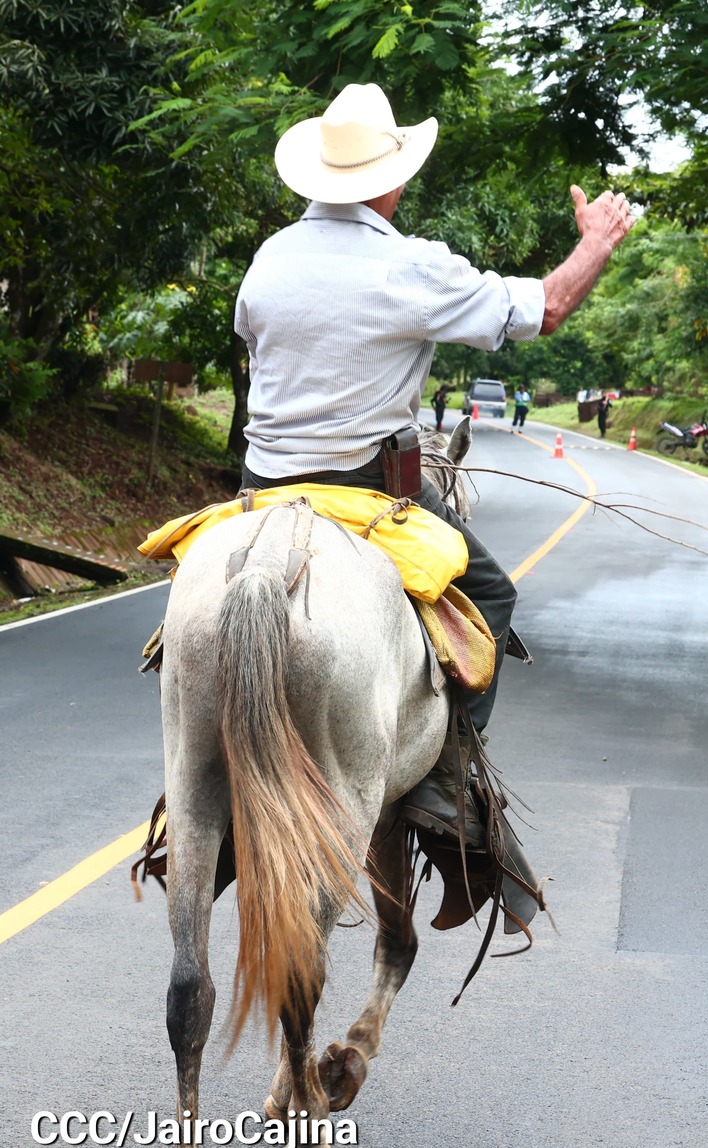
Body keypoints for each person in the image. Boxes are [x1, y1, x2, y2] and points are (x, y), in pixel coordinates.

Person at [234, 82, 634, 855]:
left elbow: (261, 342)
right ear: (392, 178)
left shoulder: (269, 257)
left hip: (259, 491)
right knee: (491, 591)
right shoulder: (409, 267)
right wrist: (596, 243)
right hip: (366, 487)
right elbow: (542, 310)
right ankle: (448, 784)